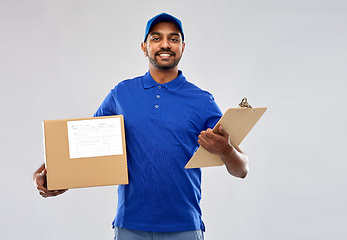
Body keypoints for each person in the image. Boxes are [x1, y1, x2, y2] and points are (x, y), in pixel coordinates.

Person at [33, 13, 249, 240]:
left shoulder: (202, 100)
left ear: (183, 47)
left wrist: (226, 150)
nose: (165, 44)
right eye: (156, 38)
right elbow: (84, 147)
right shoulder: (121, 94)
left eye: (173, 39)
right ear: (144, 47)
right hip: (130, 226)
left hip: (185, 227)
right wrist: (48, 177)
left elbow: (241, 169)